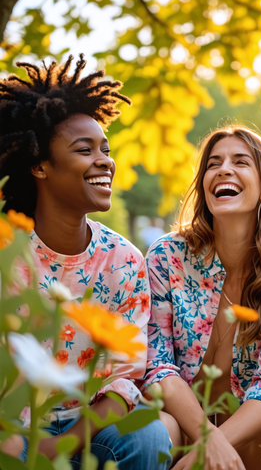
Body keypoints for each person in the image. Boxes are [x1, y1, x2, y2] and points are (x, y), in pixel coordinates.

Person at [0, 55, 172, 469]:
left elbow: (123, 377)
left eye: (105, 149)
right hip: (11, 430)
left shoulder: (124, 260)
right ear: (39, 165)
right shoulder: (8, 253)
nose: (105, 161)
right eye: (84, 149)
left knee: (149, 436)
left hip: (91, 431)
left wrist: (59, 446)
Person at [144, 124, 261, 470]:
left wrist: (216, 446)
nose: (224, 169)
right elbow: (157, 366)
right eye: (214, 163)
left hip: (250, 435)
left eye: (241, 161)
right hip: (183, 430)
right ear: (204, 186)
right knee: (157, 428)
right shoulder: (166, 256)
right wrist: (205, 441)